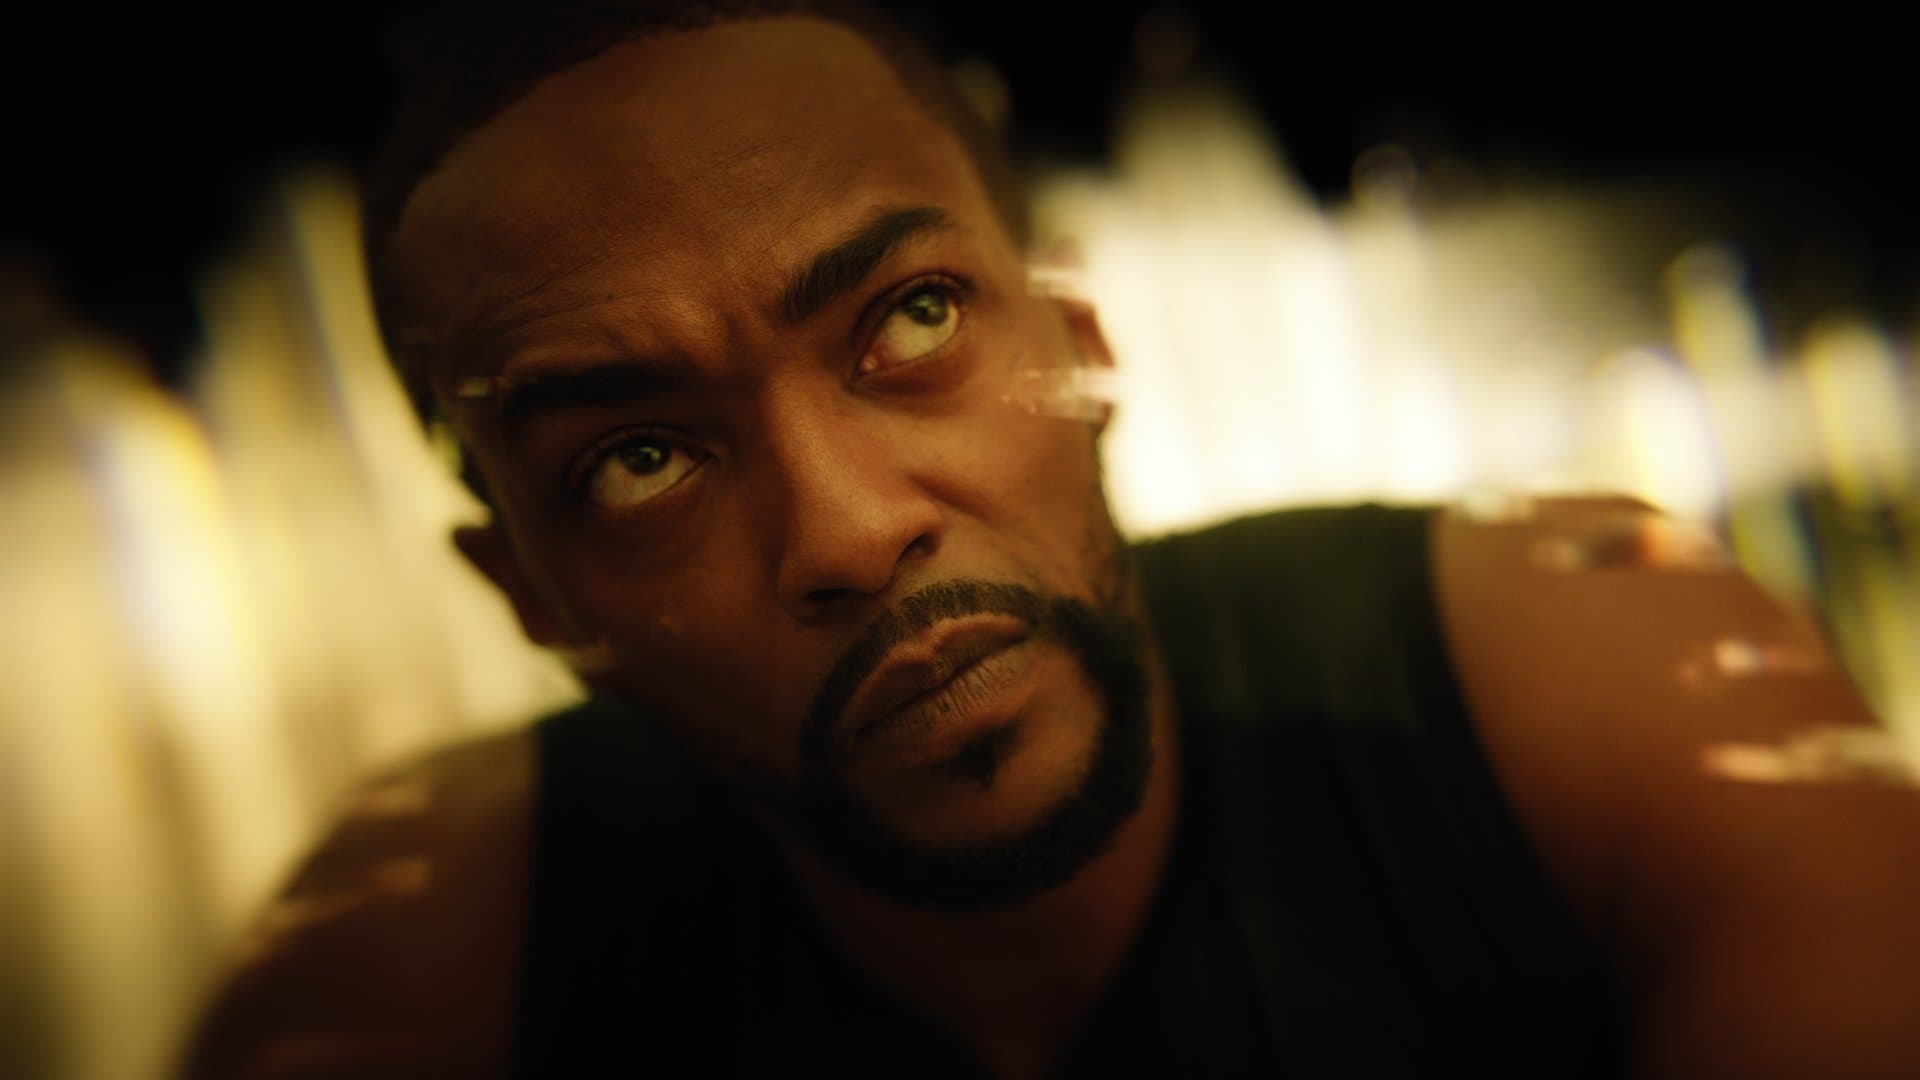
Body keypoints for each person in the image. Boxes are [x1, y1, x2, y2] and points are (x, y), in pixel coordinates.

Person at [184, 3, 1920, 1076]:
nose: (851, 529)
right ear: (529, 596)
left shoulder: (1600, 662)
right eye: (640, 463)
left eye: (913, 319)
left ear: (1079, 350)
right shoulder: (417, 947)